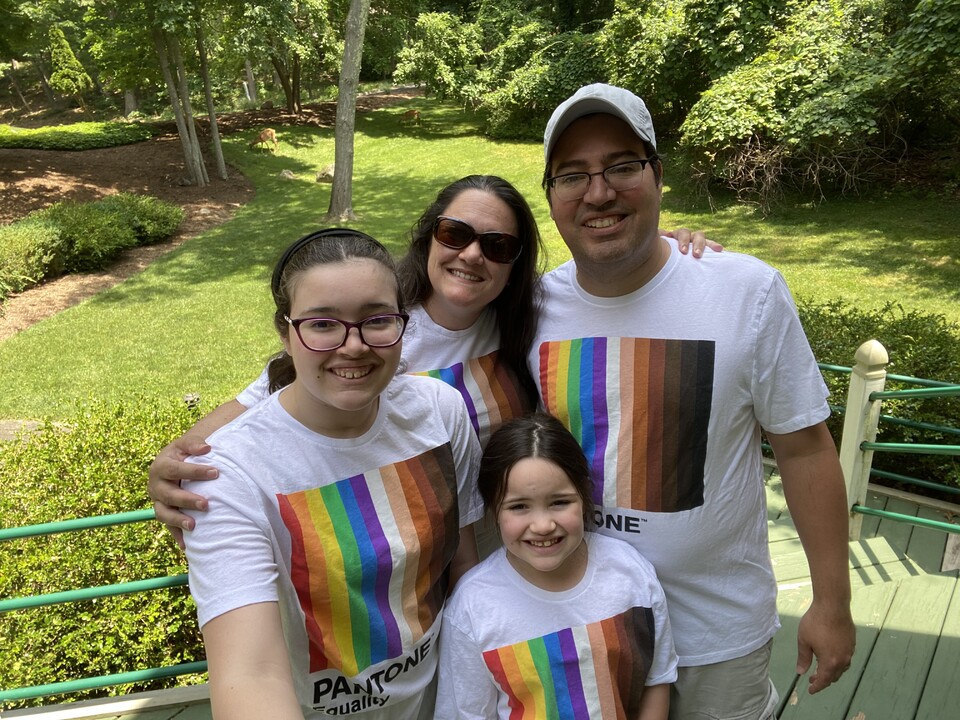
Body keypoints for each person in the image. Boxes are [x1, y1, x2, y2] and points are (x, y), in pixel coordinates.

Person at [148, 176, 719, 547]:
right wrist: (172, 463)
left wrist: (658, 244)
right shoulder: (373, 332)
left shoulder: (534, 319)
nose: (472, 254)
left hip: (517, 552)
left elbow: (617, 289)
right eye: (456, 233)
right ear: (429, 238)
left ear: (514, 264)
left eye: (497, 246)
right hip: (406, 562)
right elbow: (259, 402)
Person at [531, 83, 855, 719]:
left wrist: (832, 602)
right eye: (573, 175)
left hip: (718, 635)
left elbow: (805, 447)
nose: (598, 192)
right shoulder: (533, 310)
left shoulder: (745, 291)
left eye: (623, 166)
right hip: (581, 625)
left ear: (657, 175)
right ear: (552, 196)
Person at [180, 228, 483, 719]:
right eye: (323, 324)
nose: (354, 345)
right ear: (286, 332)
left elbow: (462, 564)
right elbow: (249, 671)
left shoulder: (440, 413)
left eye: (377, 320)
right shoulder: (229, 472)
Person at [435, 412, 678, 719]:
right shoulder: (472, 607)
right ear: (493, 510)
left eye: (560, 502)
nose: (543, 525)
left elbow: (657, 680)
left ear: (584, 495)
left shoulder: (630, 572)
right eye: (519, 506)